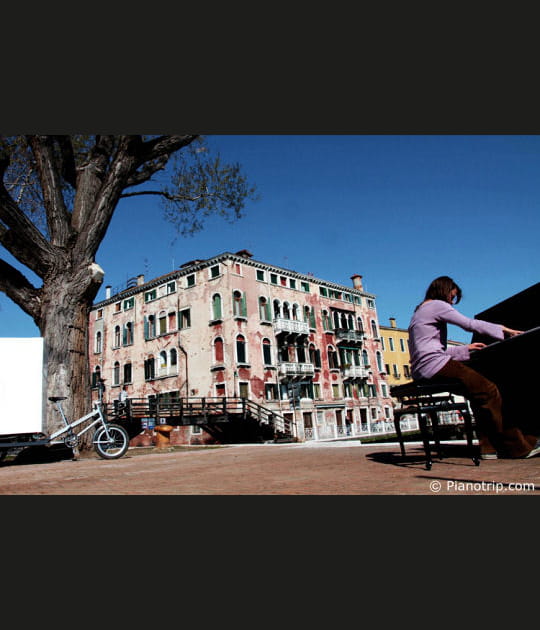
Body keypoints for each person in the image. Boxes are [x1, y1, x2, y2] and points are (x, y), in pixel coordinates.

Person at [408, 275, 540, 459]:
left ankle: (488, 448)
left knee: (477, 394)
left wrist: (465, 349)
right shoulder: (436, 305)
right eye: (452, 297)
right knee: (489, 390)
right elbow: (470, 324)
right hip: (434, 365)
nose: (452, 303)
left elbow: (431, 349)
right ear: (444, 291)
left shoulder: (419, 312)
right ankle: (518, 447)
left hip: (423, 368)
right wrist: (504, 330)